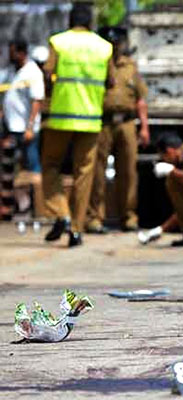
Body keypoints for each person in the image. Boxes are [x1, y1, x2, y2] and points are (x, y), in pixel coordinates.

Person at [41, 3, 114, 247]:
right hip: (91, 119)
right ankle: (76, 229)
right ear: (91, 22)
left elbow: (48, 72)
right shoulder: (104, 47)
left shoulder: (59, 42)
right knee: (84, 173)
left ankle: (61, 212)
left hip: (61, 116)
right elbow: (112, 81)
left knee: (51, 165)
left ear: (70, 21)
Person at [86, 26, 150, 234]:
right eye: (110, 43)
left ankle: (129, 217)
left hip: (127, 123)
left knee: (129, 172)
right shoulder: (96, 65)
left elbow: (141, 99)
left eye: (117, 43)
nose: (114, 47)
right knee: (97, 172)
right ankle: (95, 217)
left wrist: (144, 127)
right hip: (102, 123)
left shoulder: (130, 66)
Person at [0, 39, 45, 220]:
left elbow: (37, 101)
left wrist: (30, 127)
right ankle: (13, 209)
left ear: (21, 52)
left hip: (26, 129)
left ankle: (38, 210)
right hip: (11, 127)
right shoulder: (11, 72)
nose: (10, 55)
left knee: (32, 169)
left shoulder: (32, 72)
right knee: (10, 170)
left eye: (13, 52)